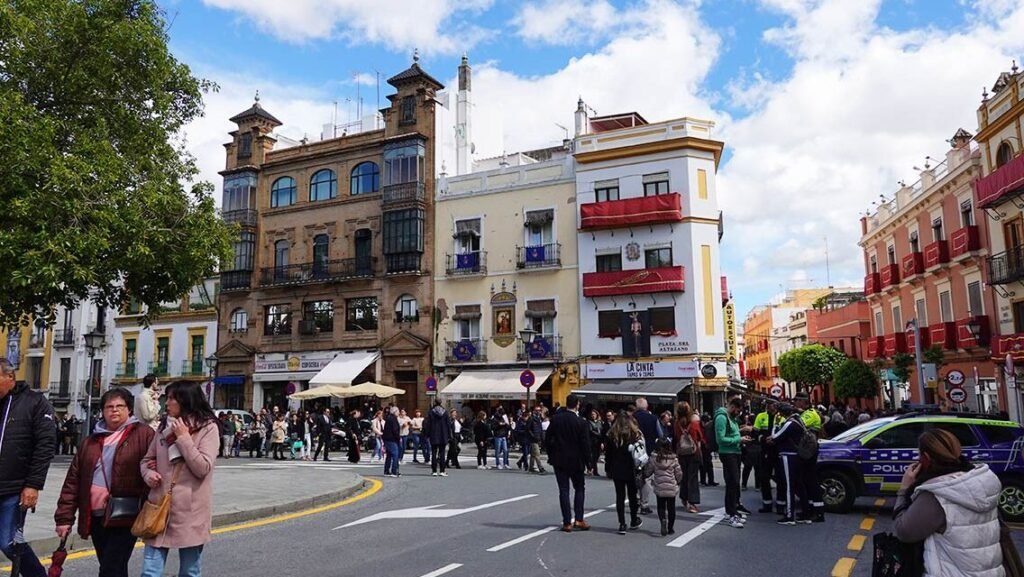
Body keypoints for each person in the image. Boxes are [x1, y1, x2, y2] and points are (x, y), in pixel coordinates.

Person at [54, 388, 154, 577]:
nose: (114, 410)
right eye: (109, 407)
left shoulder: (143, 434)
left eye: (119, 406)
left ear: (129, 409)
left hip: (126, 514)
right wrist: (64, 518)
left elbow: (155, 466)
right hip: (96, 515)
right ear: (103, 411)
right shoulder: (90, 441)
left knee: (110, 568)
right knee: (114, 567)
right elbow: (73, 482)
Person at [893, 429, 1004, 576]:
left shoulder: (937, 493)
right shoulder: (980, 481)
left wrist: (904, 489)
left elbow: (903, 531)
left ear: (926, 457)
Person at [139, 380, 219, 577]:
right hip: (159, 508)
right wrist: (148, 474)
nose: (167, 403)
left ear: (186, 400)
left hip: (191, 510)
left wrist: (183, 437)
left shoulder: (207, 428)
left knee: (190, 571)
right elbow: (147, 460)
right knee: (150, 572)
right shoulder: (163, 427)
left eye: (172, 399)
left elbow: (203, 468)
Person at [0, 358, 56, 577]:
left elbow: (45, 445)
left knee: (8, 542)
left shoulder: (35, 402)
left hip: (14, 489)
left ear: (10, 377)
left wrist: (33, 484)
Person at [544, 395, 591, 533]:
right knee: (579, 488)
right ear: (577, 404)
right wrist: (589, 462)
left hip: (559, 459)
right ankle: (579, 519)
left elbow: (547, 439)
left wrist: (551, 454)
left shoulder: (556, 419)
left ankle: (566, 522)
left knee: (563, 490)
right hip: (576, 460)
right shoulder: (581, 422)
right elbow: (585, 444)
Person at [770, 403, 814, 525]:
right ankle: (806, 514)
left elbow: (775, 436)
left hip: (788, 456)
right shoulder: (799, 421)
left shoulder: (789, 423)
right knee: (800, 485)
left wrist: (775, 424)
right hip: (798, 456)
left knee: (789, 486)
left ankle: (789, 516)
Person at [605, 411, 642, 535]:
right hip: (631, 467)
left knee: (620, 496)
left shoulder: (612, 435)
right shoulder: (634, 434)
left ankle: (622, 523)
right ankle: (633, 519)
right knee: (632, 495)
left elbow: (608, 454)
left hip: (617, 468)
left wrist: (608, 468)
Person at [715, 397, 750, 529]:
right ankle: (731, 513)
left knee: (734, 483)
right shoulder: (722, 418)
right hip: (728, 452)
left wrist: (739, 434)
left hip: (735, 452)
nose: (739, 413)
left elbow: (730, 433)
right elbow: (721, 439)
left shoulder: (731, 418)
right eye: (738, 410)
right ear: (733, 407)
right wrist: (738, 439)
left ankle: (732, 510)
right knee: (733, 482)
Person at [794, 392, 825, 522]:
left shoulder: (810, 414)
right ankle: (810, 509)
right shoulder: (805, 413)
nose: (795, 403)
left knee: (811, 480)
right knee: (806, 480)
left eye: (797, 401)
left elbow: (798, 425)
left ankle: (818, 512)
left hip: (809, 449)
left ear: (803, 402)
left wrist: (794, 413)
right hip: (806, 449)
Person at [754, 400, 783, 514]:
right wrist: (761, 438)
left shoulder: (781, 417)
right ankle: (767, 504)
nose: (771, 407)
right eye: (769, 405)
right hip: (765, 450)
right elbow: (755, 432)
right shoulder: (761, 416)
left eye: (773, 405)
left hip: (778, 451)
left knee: (781, 478)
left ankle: (781, 504)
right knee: (764, 478)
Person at [633, 398, 661, 515]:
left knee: (635, 476)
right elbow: (660, 434)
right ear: (647, 406)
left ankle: (636, 501)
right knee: (647, 478)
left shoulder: (632, 419)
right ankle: (644, 504)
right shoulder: (653, 418)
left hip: (634, 452)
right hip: (648, 451)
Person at [674, 402, 702, 514]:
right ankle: (692, 503)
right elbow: (699, 438)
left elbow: (676, 437)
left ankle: (684, 497)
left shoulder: (676, 424)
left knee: (684, 476)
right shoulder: (694, 424)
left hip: (681, 453)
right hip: (693, 453)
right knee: (693, 478)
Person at [652, 438, 682, 536]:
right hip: (671, 486)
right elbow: (678, 473)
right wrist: (678, 481)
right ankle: (670, 528)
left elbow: (648, 470)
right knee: (671, 508)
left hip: (659, 486)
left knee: (661, 506)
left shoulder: (654, 458)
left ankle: (663, 520)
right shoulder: (673, 459)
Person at [423, 401, 451, 476]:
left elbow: (428, 424)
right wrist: (449, 435)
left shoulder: (431, 412)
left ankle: (434, 471)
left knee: (434, 453)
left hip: (434, 434)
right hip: (443, 434)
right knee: (442, 453)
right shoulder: (445, 412)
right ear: (441, 403)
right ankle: (442, 471)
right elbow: (448, 424)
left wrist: (427, 434)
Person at [382, 406, 401, 477]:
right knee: (395, 455)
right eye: (398, 411)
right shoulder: (393, 419)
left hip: (387, 439)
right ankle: (394, 471)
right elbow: (395, 430)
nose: (399, 412)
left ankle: (386, 471)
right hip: (392, 439)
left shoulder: (389, 418)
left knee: (389, 455)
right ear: (395, 412)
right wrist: (398, 438)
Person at [700, 413, 718, 486]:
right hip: (706, 447)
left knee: (705, 465)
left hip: (705, 447)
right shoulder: (709, 426)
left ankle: (705, 480)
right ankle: (709, 480)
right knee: (708, 465)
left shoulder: (705, 427)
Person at [527, 406, 546, 474]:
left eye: (539, 410)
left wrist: (541, 438)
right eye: (537, 410)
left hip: (538, 438)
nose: (538, 411)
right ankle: (540, 468)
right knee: (537, 454)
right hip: (533, 439)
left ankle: (531, 467)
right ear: (534, 411)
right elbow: (528, 429)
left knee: (533, 454)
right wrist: (533, 436)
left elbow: (540, 429)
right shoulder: (531, 418)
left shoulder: (539, 418)